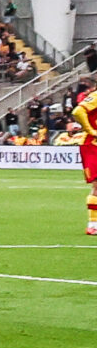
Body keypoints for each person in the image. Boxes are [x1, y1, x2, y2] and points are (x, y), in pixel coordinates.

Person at [66, 84, 97, 238]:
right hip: (93, 145)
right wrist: (91, 130)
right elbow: (77, 110)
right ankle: (93, 225)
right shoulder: (96, 97)